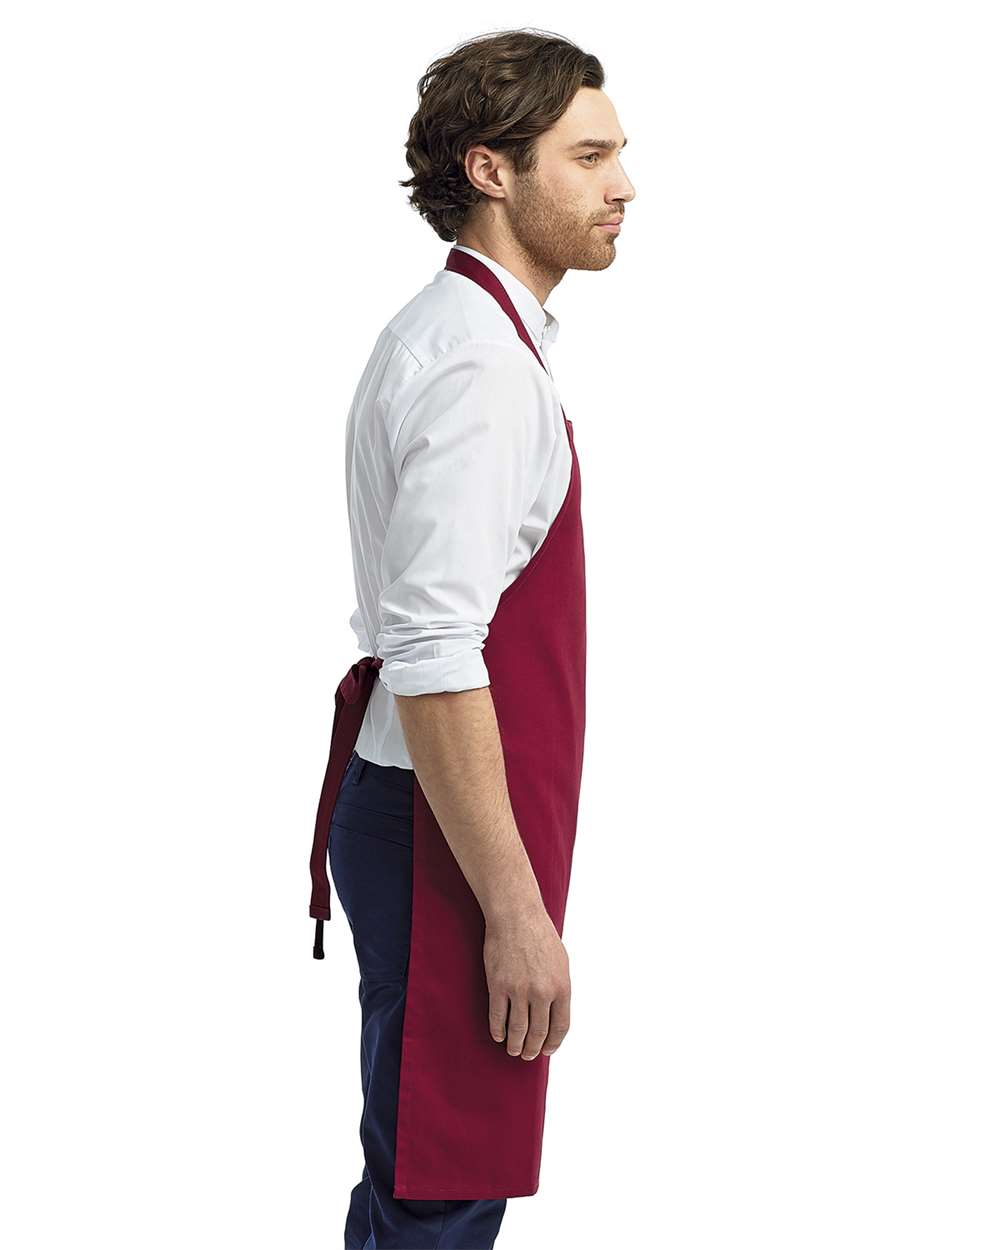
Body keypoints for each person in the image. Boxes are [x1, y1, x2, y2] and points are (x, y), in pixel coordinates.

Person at [307, 26, 635, 1250]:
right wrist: (516, 911)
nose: (623, 184)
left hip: (434, 818)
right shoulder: (478, 369)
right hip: (440, 836)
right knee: (441, 1188)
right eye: (587, 157)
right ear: (491, 171)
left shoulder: (472, 340)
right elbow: (437, 649)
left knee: (427, 1177)